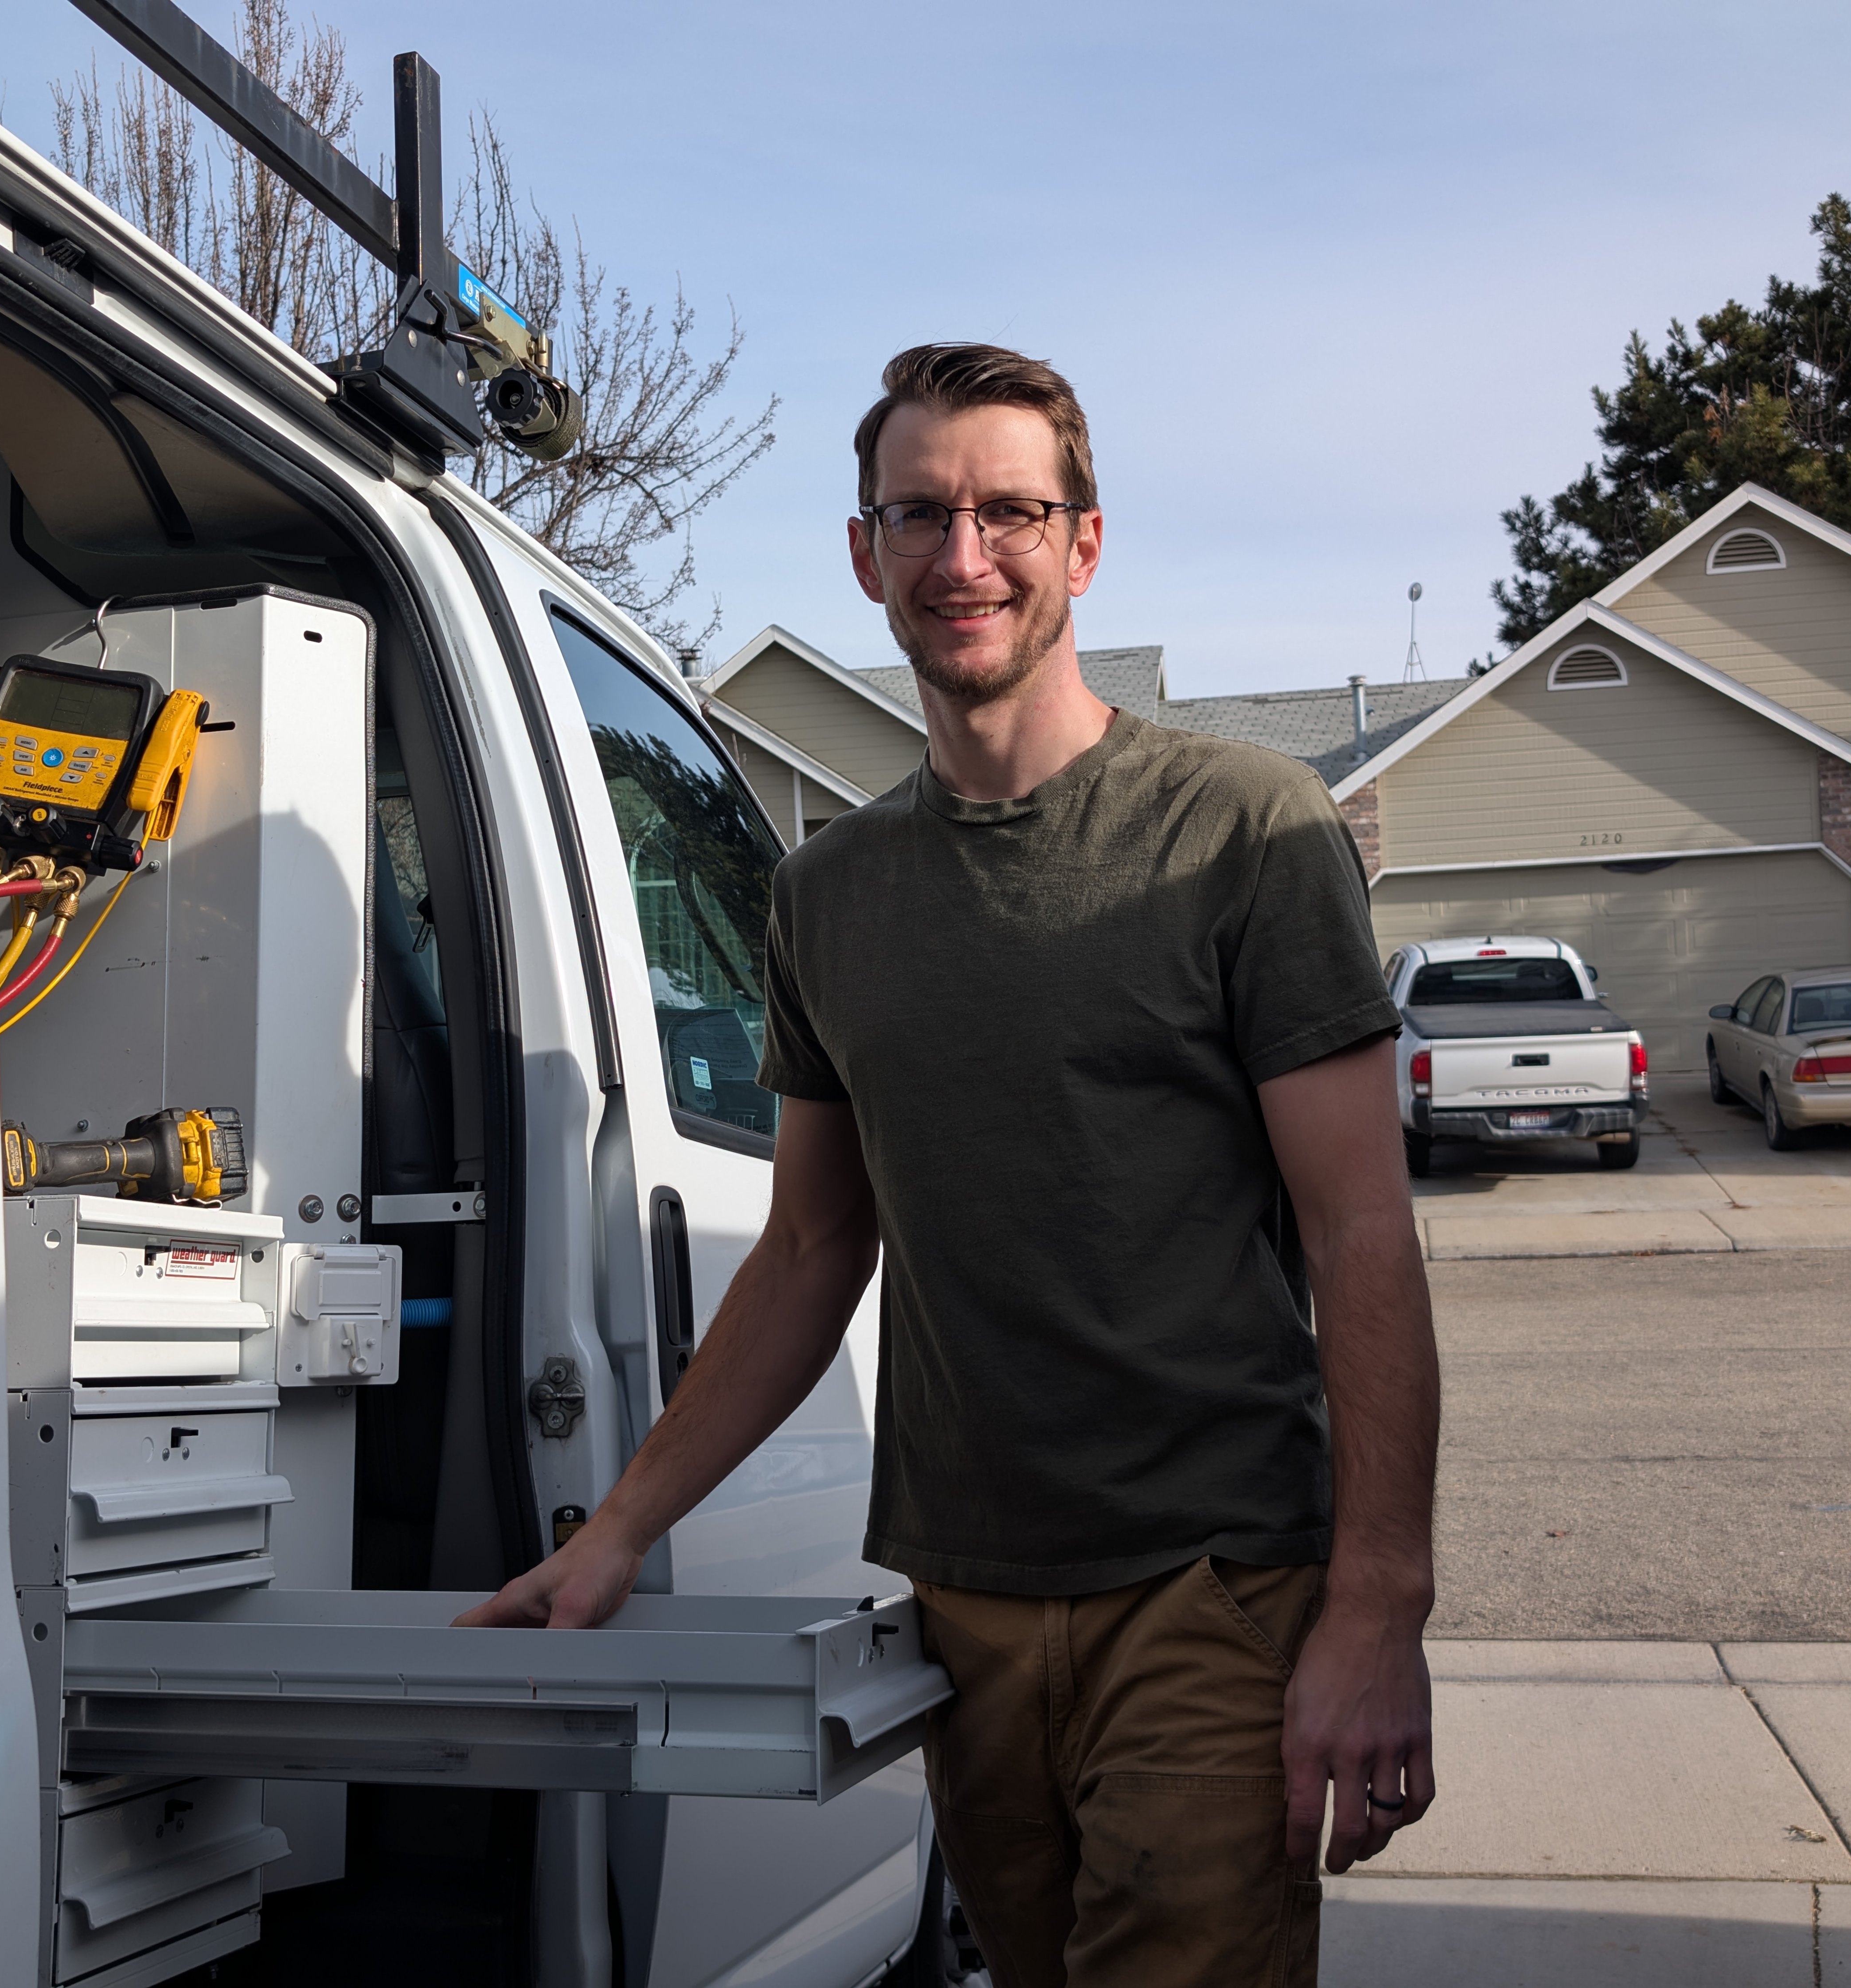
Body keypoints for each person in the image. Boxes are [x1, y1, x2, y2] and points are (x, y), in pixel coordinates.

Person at [458, 342, 1439, 1986]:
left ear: (1085, 543)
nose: (962, 557)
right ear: (864, 552)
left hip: (1207, 1587)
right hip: (963, 1597)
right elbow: (804, 1254)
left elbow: (1363, 1239)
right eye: (920, 515)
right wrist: (620, 1526)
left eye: (1008, 512)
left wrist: (1378, 1606)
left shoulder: (1243, 831)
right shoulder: (827, 894)